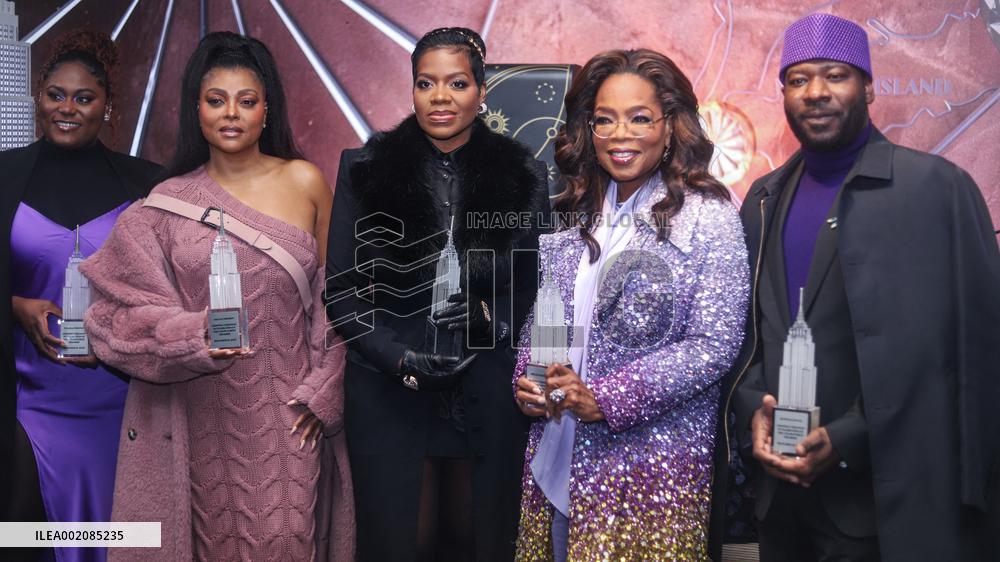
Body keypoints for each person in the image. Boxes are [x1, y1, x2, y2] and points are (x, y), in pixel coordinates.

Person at [723, 13, 1000, 561]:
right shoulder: (762, 198)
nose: (816, 93)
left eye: (835, 75)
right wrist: (754, 407)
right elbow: (749, 332)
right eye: (798, 80)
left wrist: (849, 436)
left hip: (893, 500)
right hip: (784, 506)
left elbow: (969, 354)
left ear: (869, 87)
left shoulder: (936, 190)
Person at [78, 32, 353, 561]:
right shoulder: (164, 206)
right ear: (196, 109)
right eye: (216, 99)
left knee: (286, 540)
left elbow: (337, 297)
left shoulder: (306, 182)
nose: (231, 114)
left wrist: (326, 390)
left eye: (246, 101)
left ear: (267, 109)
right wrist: (190, 336)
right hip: (197, 419)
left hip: (290, 418)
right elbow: (111, 318)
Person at [512, 49, 750, 561]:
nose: (620, 135)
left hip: (650, 467)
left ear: (671, 126)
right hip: (556, 453)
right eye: (605, 120)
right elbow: (549, 317)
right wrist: (528, 380)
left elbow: (715, 342)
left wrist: (609, 397)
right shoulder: (572, 213)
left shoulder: (709, 216)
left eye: (640, 118)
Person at [325, 27, 550, 562]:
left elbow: (536, 285)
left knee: (482, 541)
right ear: (412, 90)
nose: (441, 97)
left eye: (457, 83)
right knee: (400, 541)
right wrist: (398, 358)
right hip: (388, 391)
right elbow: (341, 289)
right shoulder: (364, 169)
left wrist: (494, 323)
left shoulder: (526, 174)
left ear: (481, 90)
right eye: (426, 83)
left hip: (489, 391)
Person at [0, 30, 162, 562]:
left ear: (108, 107)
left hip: (119, 401)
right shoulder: (3, 178)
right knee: (24, 539)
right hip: (26, 400)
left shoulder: (148, 186)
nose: (67, 108)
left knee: (130, 538)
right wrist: (14, 306)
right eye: (55, 95)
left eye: (84, 97)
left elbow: (167, 293)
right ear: (38, 98)